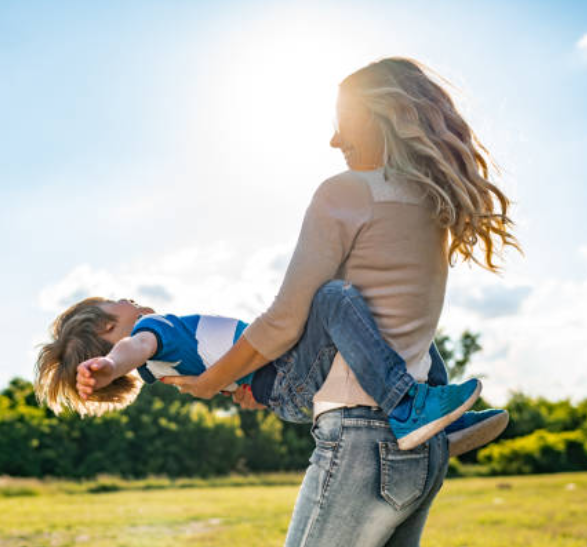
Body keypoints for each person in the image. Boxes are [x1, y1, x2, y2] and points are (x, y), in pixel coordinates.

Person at [162, 57, 521, 546]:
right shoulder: (432, 200)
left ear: (383, 114)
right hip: (421, 452)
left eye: (342, 122)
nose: (334, 141)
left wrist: (211, 382)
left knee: (332, 297)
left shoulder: (346, 192)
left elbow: (285, 321)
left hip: (360, 437)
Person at [35, 290, 508, 456]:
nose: (130, 301)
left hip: (285, 391)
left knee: (388, 329)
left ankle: (442, 422)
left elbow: (222, 379)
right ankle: (410, 407)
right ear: (108, 325)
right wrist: (112, 364)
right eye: (117, 300)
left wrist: (248, 392)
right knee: (334, 298)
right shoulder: (150, 331)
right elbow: (133, 346)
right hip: (292, 378)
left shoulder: (165, 367)